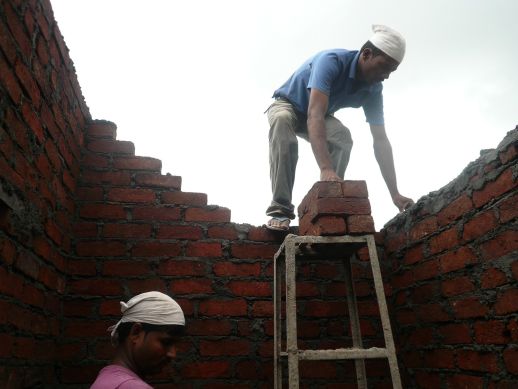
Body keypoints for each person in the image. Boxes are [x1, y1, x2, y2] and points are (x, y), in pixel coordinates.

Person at [266, 24, 414, 231]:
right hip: (288, 105)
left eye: (392, 70)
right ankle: (280, 210)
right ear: (367, 54)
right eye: (384, 66)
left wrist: (395, 194)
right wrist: (325, 168)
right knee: (281, 121)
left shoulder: (373, 90)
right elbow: (314, 114)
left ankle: (329, 203)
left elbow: (380, 140)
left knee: (342, 137)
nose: (386, 75)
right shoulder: (332, 61)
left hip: (320, 114)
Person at [90, 291, 185, 389]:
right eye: (166, 342)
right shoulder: (131, 386)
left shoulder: (108, 377)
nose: (173, 354)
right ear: (136, 332)